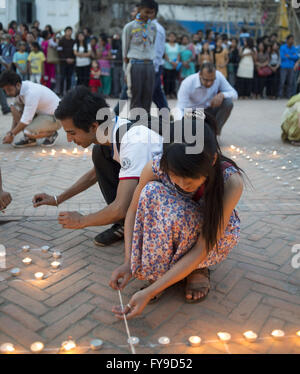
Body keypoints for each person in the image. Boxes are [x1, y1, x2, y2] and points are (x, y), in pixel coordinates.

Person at [110, 114, 243, 318]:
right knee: (151, 192)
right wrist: (129, 261)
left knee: (181, 218)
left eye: (190, 177)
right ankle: (161, 273)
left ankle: (198, 269)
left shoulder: (231, 182)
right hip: (175, 225)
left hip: (208, 238)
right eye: (175, 174)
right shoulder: (156, 166)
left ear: (212, 159)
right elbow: (133, 212)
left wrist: (149, 292)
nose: (182, 183)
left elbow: (202, 246)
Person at [32, 86, 163, 247]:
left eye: (72, 133)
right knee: (100, 154)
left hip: (171, 204)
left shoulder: (132, 140)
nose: (68, 139)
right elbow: (94, 175)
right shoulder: (112, 131)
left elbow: (120, 207)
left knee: (101, 156)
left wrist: (81, 221)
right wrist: (57, 199)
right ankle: (126, 224)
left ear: (94, 126)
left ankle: (144, 227)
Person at [0, 71, 61, 148]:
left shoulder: (31, 93)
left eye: (9, 89)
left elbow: (25, 120)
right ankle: (30, 139)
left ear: (18, 85)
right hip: (41, 114)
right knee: (13, 107)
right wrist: (11, 132)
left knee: (28, 131)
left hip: (56, 117)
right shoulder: (19, 89)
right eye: (5, 90)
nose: (7, 93)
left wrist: (12, 134)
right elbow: (16, 113)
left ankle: (52, 134)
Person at [176, 62, 237, 135]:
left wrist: (222, 95)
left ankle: (215, 133)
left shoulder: (218, 76)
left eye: (212, 80)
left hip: (209, 111)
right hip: (192, 113)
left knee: (228, 102)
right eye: (206, 80)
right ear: (200, 74)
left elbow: (234, 94)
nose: (209, 83)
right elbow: (181, 108)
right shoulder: (187, 83)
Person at [122, 0, 157, 114]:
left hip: (149, 65)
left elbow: (153, 46)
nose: (149, 15)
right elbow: (125, 51)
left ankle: (145, 126)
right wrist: (125, 71)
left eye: (151, 13)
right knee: (135, 98)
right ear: (140, 9)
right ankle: (134, 127)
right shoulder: (130, 27)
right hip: (136, 64)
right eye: (146, 12)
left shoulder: (153, 27)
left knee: (148, 98)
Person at [150, 2, 169, 112]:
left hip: (153, 67)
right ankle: (166, 115)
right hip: (152, 67)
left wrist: (154, 69)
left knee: (147, 95)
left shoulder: (155, 28)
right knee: (157, 95)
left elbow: (157, 51)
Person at [279, 34, 299, 99]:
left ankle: (288, 95)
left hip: (291, 67)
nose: (292, 41)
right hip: (284, 66)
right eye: (291, 39)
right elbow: (282, 56)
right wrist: (291, 56)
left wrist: (289, 56)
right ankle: (280, 95)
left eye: (293, 39)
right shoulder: (282, 47)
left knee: (290, 82)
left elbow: (296, 57)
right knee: (282, 81)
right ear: (287, 40)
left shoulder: (294, 48)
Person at [57, 26, 75, 96]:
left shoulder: (73, 41)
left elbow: (74, 51)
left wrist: (72, 58)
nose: (69, 32)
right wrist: (66, 59)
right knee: (62, 77)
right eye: (67, 31)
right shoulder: (61, 41)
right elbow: (59, 51)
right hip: (63, 62)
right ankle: (61, 92)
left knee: (69, 78)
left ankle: (68, 92)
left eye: (70, 31)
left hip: (71, 62)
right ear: (65, 32)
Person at [163, 32, 181, 98]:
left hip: (175, 65)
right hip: (167, 65)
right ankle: (167, 93)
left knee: (173, 80)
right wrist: (171, 62)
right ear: (168, 37)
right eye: (170, 36)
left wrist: (177, 62)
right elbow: (165, 54)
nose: (172, 38)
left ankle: (173, 93)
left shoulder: (177, 45)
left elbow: (178, 54)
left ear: (175, 38)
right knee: (167, 80)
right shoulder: (166, 45)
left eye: (173, 36)